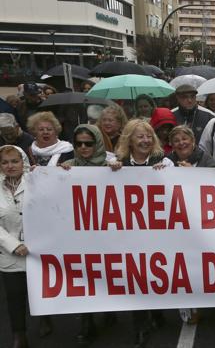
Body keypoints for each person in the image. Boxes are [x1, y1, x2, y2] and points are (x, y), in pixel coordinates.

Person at [108, 119, 172, 347]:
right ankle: (140, 326)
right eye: (139, 137)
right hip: (130, 234)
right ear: (129, 140)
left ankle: (156, 312)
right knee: (135, 277)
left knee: (155, 275)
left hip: (158, 233)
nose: (145, 141)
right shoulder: (119, 164)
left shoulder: (163, 161)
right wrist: (112, 172)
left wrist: (166, 174)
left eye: (148, 136)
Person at [59, 124, 117, 344]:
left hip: (106, 233)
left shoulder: (110, 166)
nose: (83, 147)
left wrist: (119, 171)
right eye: (79, 143)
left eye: (89, 143)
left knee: (106, 274)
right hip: (79, 235)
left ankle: (109, 311)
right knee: (84, 277)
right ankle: (87, 322)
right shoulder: (67, 166)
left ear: (98, 143)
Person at [0, 145, 31, 348]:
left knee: (41, 293)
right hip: (9, 254)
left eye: (14, 161)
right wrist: (13, 244)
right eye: (4, 162)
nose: (10, 166)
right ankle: (19, 335)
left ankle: (46, 320)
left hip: (38, 251)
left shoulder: (38, 180)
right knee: (14, 296)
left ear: (23, 162)